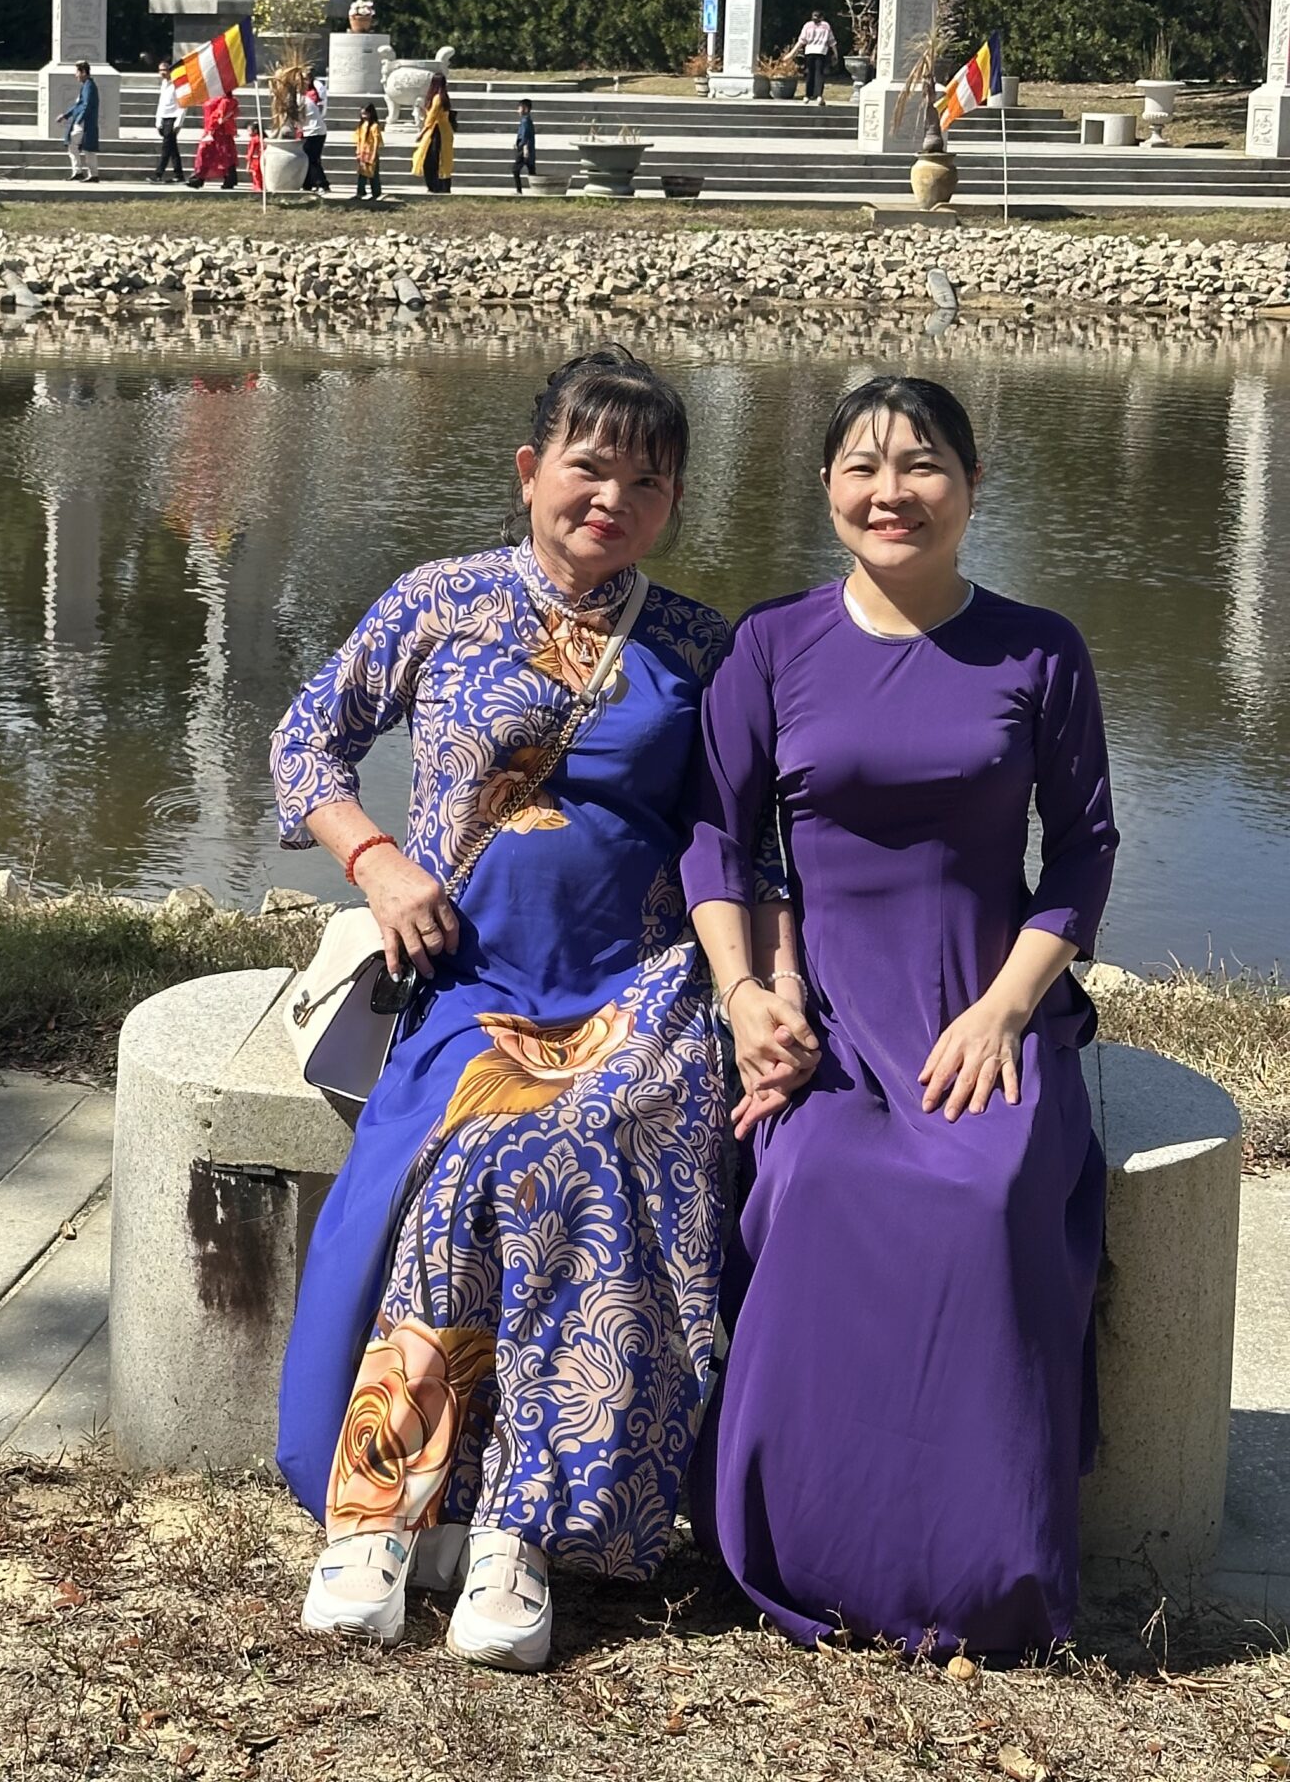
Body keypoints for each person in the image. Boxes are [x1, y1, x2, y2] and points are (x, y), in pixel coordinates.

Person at [272, 351, 795, 1670]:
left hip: (638, 988)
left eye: (646, 479)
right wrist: (376, 861)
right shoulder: (436, 601)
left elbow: (749, 842)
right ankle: (383, 1508)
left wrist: (767, 991)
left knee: (584, 1151)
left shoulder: (702, 648)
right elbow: (304, 738)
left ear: (674, 502)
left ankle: (523, 1526)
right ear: (529, 471)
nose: (611, 497)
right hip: (474, 986)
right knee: (469, 1156)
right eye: (588, 466)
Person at [681, 375, 1118, 1660]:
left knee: (985, 1196)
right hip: (827, 1009)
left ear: (972, 484)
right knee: (812, 1175)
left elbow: (1083, 851)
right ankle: (799, 1546)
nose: (892, 492)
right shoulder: (773, 643)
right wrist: (750, 995)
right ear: (827, 487)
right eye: (863, 467)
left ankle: (984, 1573)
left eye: (922, 464)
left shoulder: (1040, 648)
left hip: (984, 997)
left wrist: (1005, 1011)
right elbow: (717, 838)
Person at [410, 70, 457, 193]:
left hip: (437, 131)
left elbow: (432, 118)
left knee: (431, 160)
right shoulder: (443, 97)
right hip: (444, 130)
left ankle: (435, 186)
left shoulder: (437, 98)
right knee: (442, 159)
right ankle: (442, 186)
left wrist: (421, 133)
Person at [57, 61, 100, 182]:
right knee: (85, 147)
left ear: (83, 72)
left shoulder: (89, 86)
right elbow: (79, 105)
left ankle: (82, 172)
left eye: (77, 72)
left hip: (85, 122)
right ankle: (89, 174)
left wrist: (80, 120)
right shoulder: (87, 86)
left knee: (75, 144)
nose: (75, 75)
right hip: (84, 122)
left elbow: (86, 105)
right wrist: (66, 115)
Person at [189, 88, 239, 189]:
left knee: (218, 154)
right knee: (211, 154)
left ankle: (200, 178)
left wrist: (212, 126)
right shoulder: (214, 97)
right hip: (211, 130)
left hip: (218, 131)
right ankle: (200, 178)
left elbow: (221, 116)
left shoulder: (225, 100)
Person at [791, 8, 838, 102]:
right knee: (819, 73)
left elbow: (801, 41)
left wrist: (792, 53)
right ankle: (819, 95)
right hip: (821, 52)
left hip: (809, 51)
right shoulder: (826, 26)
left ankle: (807, 95)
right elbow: (831, 41)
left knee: (810, 73)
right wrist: (836, 54)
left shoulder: (807, 26)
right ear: (822, 17)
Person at [153, 60, 185, 182]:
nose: (162, 73)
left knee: (166, 147)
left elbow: (183, 104)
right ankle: (179, 174)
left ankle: (158, 174)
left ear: (170, 70)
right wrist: (158, 120)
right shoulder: (164, 84)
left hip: (173, 118)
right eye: (160, 70)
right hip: (164, 118)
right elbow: (161, 104)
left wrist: (178, 122)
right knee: (172, 148)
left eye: (165, 70)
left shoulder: (177, 84)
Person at [299, 77, 331, 193]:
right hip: (314, 130)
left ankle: (322, 183)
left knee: (311, 159)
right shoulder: (303, 98)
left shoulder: (302, 100)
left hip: (314, 131)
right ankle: (307, 184)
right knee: (308, 159)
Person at [352, 102, 384, 204]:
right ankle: (360, 192)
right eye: (362, 114)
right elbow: (358, 140)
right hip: (363, 153)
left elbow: (376, 141)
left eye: (365, 114)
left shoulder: (374, 126)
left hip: (371, 153)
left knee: (373, 175)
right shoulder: (361, 126)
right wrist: (358, 152)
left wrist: (374, 154)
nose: (364, 116)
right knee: (361, 174)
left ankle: (376, 193)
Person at [511, 98, 537, 196]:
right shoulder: (526, 120)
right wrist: (517, 142)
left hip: (524, 150)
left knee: (515, 169)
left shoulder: (526, 121)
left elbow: (525, 136)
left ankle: (519, 191)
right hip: (528, 149)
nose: (518, 110)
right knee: (531, 171)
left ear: (525, 109)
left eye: (520, 108)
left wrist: (524, 148)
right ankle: (537, 190)